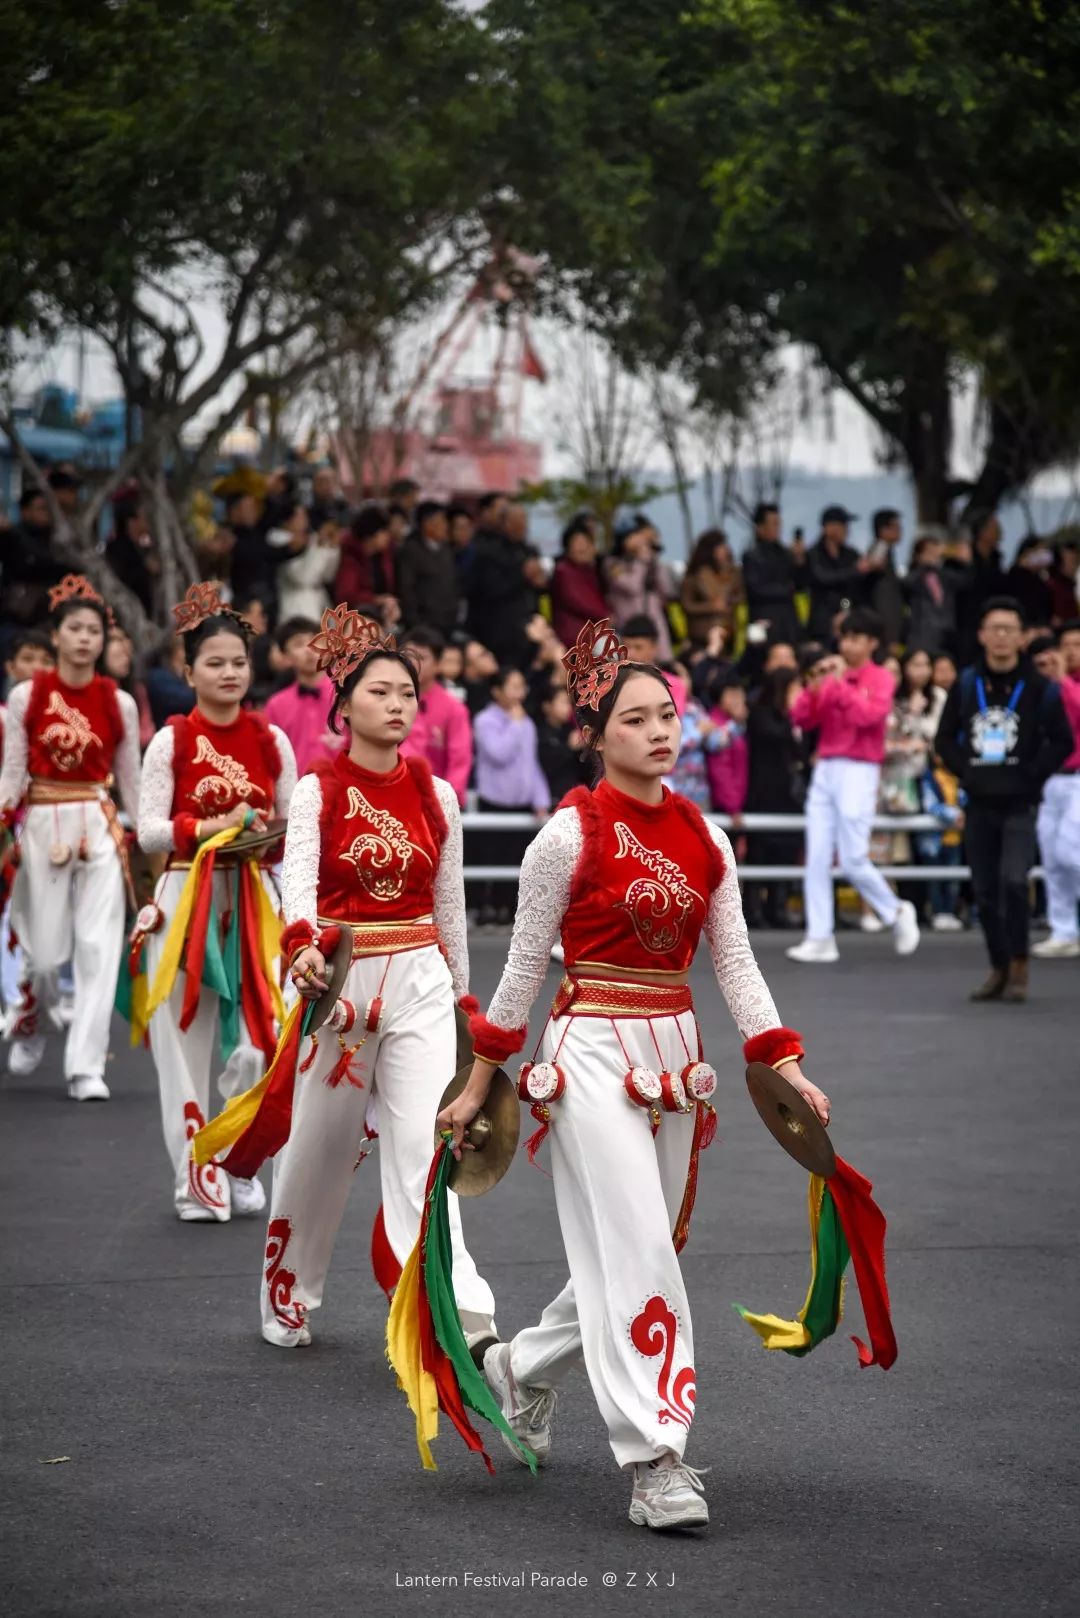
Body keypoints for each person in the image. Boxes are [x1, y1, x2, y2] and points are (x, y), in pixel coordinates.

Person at [440, 617, 829, 1530]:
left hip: (676, 1059)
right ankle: (657, 1458)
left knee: (638, 1248)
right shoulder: (565, 835)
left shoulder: (708, 838)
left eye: (669, 716)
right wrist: (477, 1082)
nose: (661, 731)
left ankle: (517, 1369)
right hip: (588, 1058)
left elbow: (734, 964)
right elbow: (522, 967)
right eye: (638, 718)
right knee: (642, 1251)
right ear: (597, 733)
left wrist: (785, 1060)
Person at [248, 608, 496, 1350]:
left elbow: (448, 906)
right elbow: (299, 888)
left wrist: (463, 1000)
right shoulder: (318, 790)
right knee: (318, 1152)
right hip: (342, 984)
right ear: (343, 704)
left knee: (427, 1146)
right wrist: (301, 948)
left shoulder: (436, 794)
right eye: (381, 691)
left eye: (408, 694)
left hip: (419, 977)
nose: (397, 705)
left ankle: (451, 1312)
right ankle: (289, 1286)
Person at [136, 585, 298, 1221]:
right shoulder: (171, 741)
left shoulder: (271, 739)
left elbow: (292, 824)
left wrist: (261, 830)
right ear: (189, 672)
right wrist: (213, 827)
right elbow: (149, 828)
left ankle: (233, 1154)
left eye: (239, 663)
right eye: (215, 663)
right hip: (184, 899)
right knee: (185, 1042)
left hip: (254, 898)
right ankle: (194, 1180)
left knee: (260, 1042)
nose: (229, 673)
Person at [0, 575, 141, 1098]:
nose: (85, 639)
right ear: (56, 636)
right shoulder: (26, 695)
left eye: (94, 631)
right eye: (75, 629)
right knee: (40, 952)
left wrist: (153, 834)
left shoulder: (117, 701)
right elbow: (13, 770)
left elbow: (131, 779)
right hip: (41, 819)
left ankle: (86, 1067)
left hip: (97, 821)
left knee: (97, 947)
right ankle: (31, 1013)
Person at [936, 597, 1073, 1001]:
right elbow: (944, 739)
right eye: (993, 628)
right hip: (978, 801)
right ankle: (997, 965)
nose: (1000, 636)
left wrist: (1031, 776)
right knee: (984, 890)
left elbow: (1062, 740)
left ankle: (1019, 964)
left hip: (1020, 803)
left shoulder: (1039, 688)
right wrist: (970, 771)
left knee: (1014, 881)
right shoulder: (965, 684)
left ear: (1021, 636)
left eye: (1008, 629)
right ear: (981, 635)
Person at [785, 608, 921, 963]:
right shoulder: (832, 674)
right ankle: (819, 937)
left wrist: (835, 684)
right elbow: (803, 717)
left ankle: (895, 911)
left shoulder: (880, 678)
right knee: (816, 856)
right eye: (845, 637)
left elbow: (868, 717)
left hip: (860, 769)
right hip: (827, 767)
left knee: (852, 857)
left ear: (872, 643)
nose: (848, 645)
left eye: (856, 638)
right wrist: (814, 687)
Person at [1031, 620, 1080, 959]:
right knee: (1052, 857)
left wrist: (1062, 681)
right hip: (1052, 777)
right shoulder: (1048, 685)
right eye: (1067, 645)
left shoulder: (1066, 684)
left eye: (1078, 645)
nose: (1072, 652)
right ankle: (1063, 930)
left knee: (1069, 849)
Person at [743, 667, 804, 930]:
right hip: (763, 792)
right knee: (760, 851)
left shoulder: (797, 718)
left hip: (789, 795)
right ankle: (752, 909)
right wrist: (793, 714)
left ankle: (778, 907)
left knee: (785, 851)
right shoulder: (761, 714)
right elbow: (778, 735)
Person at [398, 626, 473, 808]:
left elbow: (459, 760)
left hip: (434, 804)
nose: (413, 662)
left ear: (439, 664)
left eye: (422, 657)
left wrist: (447, 805)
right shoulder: (385, 699)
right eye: (408, 656)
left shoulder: (454, 708)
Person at [263, 616, 344, 775]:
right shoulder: (276, 705)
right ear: (285, 657)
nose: (310, 649)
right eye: (299, 644)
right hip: (297, 792)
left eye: (316, 641)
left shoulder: (347, 691)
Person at [466, 493, 536, 668]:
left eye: (525, 520)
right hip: (499, 629)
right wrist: (524, 575)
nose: (523, 525)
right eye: (518, 521)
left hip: (527, 626)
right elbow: (490, 589)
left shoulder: (529, 550)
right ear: (505, 523)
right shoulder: (488, 551)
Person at [605, 516, 677, 660]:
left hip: (654, 622)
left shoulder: (649, 560)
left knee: (664, 664)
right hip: (628, 627)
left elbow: (667, 590)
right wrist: (642, 560)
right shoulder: (612, 564)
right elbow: (633, 586)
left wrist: (653, 559)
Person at [1, 488, 65, 630]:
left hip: (49, 614)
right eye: (41, 508)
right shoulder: (12, 536)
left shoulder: (57, 538)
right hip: (17, 615)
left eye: (48, 508)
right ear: (25, 511)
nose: (46, 513)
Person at [741, 503, 803, 646]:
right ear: (760, 527)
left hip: (786, 621)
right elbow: (755, 590)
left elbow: (800, 585)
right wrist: (785, 589)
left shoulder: (786, 554)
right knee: (756, 657)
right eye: (773, 524)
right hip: (759, 619)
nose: (778, 529)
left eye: (779, 524)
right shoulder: (751, 556)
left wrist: (799, 562)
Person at [398, 501, 460, 638]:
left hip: (448, 623)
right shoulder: (411, 551)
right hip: (424, 625)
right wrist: (415, 623)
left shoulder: (447, 550)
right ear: (427, 524)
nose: (446, 526)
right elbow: (407, 589)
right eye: (442, 520)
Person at [806, 506, 866, 640]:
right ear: (828, 527)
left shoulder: (851, 554)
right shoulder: (814, 554)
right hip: (822, 623)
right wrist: (855, 571)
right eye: (842, 525)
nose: (846, 530)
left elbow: (855, 586)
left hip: (848, 618)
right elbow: (822, 578)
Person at [904, 535, 970, 655]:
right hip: (923, 634)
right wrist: (925, 564)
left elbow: (966, 581)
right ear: (919, 554)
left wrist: (964, 561)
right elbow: (909, 583)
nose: (934, 554)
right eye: (929, 551)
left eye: (935, 550)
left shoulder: (944, 575)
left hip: (946, 635)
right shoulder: (916, 575)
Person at [335, 504, 399, 628]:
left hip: (384, 617)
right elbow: (346, 595)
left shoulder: (386, 554)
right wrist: (377, 600)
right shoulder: (351, 557)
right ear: (371, 534)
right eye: (384, 532)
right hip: (357, 621)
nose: (388, 536)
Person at [954, 510, 1005, 665]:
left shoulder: (996, 558)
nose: (999, 532)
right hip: (967, 623)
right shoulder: (963, 557)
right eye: (994, 528)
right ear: (981, 532)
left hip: (992, 619)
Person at [679, 529, 742, 652]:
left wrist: (728, 602)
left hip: (727, 630)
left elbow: (740, 594)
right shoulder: (695, 575)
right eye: (720, 547)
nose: (725, 550)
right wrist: (711, 606)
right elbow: (687, 605)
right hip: (702, 634)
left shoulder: (731, 572)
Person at [550, 520, 609, 649]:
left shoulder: (591, 570)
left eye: (586, 543)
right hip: (575, 635)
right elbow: (580, 602)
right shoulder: (563, 571)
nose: (582, 548)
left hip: (593, 631)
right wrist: (606, 616)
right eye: (577, 543)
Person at [536, 681, 588, 803]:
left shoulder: (571, 731)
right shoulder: (540, 733)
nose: (568, 708)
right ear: (547, 706)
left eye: (568, 704)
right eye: (562, 703)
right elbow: (545, 766)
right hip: (550, 798)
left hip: (573, 795)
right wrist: (568, 748)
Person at [704, 677, 749, 816]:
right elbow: (719, 770)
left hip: (737, 803)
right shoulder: (714, 723)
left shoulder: (736, 723)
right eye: (731, 694)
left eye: (739, 694)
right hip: (726, 808)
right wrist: (732, 806)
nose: (737, 699)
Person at [865, 509, 906, 650]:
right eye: (896, 527)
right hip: (884, 624)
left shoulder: (887, 549)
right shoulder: (880, 547)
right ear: (883, 530)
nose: (901, 531)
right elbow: (883, 593)